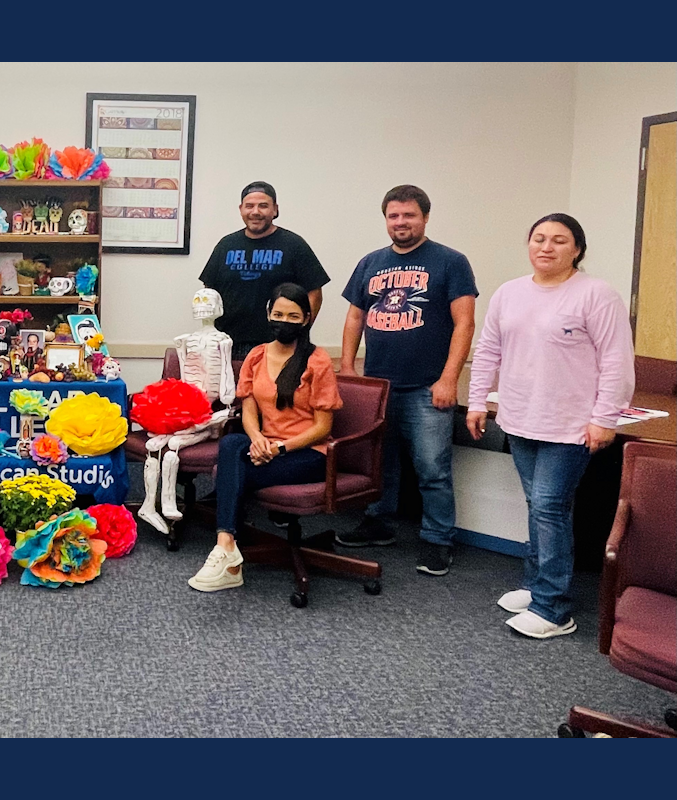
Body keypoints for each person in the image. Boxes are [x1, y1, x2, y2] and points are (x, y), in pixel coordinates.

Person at [467, 213, 633, 639]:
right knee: (539, 507)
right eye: (538, 238)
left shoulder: (597, 295)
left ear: (576, 249)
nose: (546, 246)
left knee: (549, 508)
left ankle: (554, 608)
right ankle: (537, 584)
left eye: (559, 240)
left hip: (571, 426)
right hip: (520, 418)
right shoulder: (510, 293)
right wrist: (477, 401)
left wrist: (604, 418)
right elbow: (487, 351)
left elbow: (617, 361)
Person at [336, 185, 478, 577]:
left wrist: (449, 378)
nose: (401, 222)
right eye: (393, 216)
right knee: (380, 462)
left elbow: (464, 323)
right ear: (386, 220)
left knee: (432, 467)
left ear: (425, 217)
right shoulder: (370, 262)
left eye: (409, 215)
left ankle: (437, 539)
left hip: (427, 385)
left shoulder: (450, 262)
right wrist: (349, 369)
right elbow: (354, 318)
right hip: (378, 386)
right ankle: (378, 524)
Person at [188, 283, 342, 592]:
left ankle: (226, 554)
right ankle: (226, 545)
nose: (284, 320)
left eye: (293, 316)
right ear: (268, 314)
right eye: (278, 313)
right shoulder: (256, 356)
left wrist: (278, 448)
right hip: (266, 443)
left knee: (233, 469)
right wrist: (258, 439)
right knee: (232, 444)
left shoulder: (317, 360)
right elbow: (248, 410)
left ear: (307, 319)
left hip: (307, 453)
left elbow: (323, 427)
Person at [199, 181, 331, 359]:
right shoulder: (226, 245)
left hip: (279, 346)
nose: (255, 212)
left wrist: (299, 332)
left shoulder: (294, 245)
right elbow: (209, 292)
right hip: (228, 346)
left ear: (275, 210)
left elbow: (314, 293)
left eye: (263, 206)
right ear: (241, 209)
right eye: (249, 206)